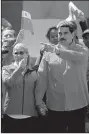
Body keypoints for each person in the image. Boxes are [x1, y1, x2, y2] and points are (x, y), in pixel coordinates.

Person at [35, 20, 89, 133]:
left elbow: (75, 56)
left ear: (73, 34)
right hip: (55, 106)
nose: (61, 36)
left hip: (78, 104)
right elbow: (42, 78)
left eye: (65, 33)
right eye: (60, 33)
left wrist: (56, 51)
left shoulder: (83, 51)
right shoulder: (48, 54)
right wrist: (39, 101)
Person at [2, 43, 38, 133]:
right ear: (13, 55)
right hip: (10, 114)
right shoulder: (6, 69)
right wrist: (19, 69)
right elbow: (8, 83)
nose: (18, 55)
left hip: (29, 114)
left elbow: (37, 91)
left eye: (21, 53)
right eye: (16, 53)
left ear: (27, 54)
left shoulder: (34, 71)